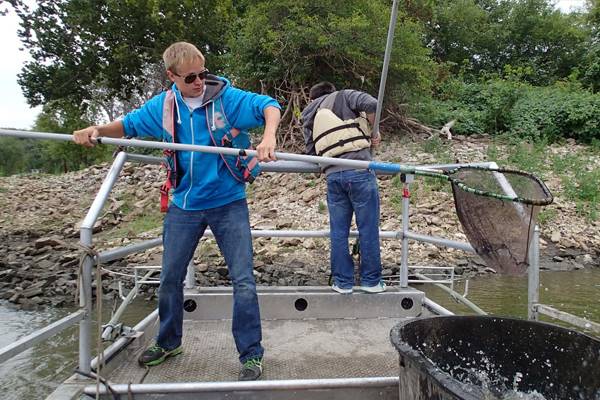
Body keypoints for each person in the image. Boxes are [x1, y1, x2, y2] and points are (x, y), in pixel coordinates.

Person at [73, 42, 281, 381]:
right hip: (183, 204)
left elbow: (270, 106)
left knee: (243, 281)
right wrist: (94, 130)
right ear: (171, 77)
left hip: (228, 201)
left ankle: (251, 354)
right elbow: (126, 125)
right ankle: (169, 342)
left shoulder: (226, 98)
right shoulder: (164, 106)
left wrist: (268, 136)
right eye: (190, 78)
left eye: (203, 74)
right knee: (170, 278)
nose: (199, 82)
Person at [301, 81, 385, 295]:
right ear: (331, 91)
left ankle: (342, 282)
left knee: (338, 232)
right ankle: (371, 282)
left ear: (313, 99)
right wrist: (373, 133)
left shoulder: (308, 114)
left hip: (333, 177)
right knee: (367, 229)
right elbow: (373, 104)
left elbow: (312, 153)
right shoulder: (345, 95)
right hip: (359, 171)